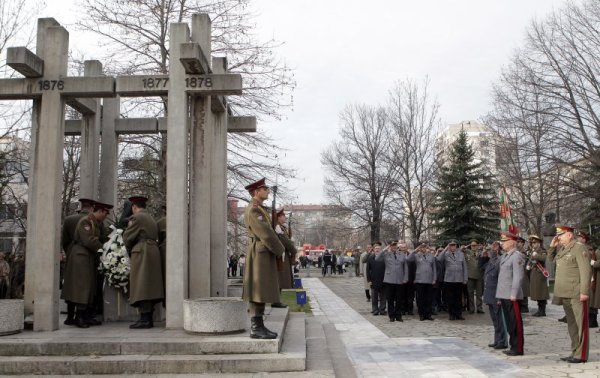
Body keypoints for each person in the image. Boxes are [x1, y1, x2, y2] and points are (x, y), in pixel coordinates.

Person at [242, 178, 284, 339]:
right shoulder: (254, 210)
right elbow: (266, 233)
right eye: (264, 189)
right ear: (256, 192)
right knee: (258, 289)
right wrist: (280, 250)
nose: (267, 191)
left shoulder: (260, 209)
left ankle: (259, 326)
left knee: (262, 289)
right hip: (260, 252)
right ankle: (256, 327)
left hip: (263, 251)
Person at [61, 201, 113, 328]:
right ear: (100, 211)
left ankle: (85, 316)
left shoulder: (94, 222)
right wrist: (105, 249)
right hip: (81, 256)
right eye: (105, 214)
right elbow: (88, 240)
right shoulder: (86, 222)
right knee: (81, 286)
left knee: (89, 286)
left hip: (87, 257)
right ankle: (79, 317)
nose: (105, 217)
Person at [548, 224, 592, 363]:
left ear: (569, 235)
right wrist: (552, 247)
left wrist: (584, 292)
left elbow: (586, 271)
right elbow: (551, 261)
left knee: (580, 325)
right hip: (565, 293)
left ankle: (581, 354)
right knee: (572, 325)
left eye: (560, 235)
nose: (558, 237)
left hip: (576, 293)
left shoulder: (579, 248)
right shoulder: (563, 249)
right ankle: (575, 352)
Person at [124, 195, 164, 329]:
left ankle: (145, 319)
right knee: (149, 285)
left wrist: (130, 250)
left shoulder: (136, 217)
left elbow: (127, 237)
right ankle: (147, 318)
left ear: (134, 207)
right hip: (153, 251)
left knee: (141, 285)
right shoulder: (151, 218)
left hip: (142, 252)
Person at [60, 198, 95, 325]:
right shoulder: (92, 220)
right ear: (92, 207)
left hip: (72, 254)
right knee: (83, 286)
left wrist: (70, 252)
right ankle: (82, 316)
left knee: (71, 286)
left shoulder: (69, 220)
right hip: (86, 256)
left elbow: (64, 240)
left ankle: (69, 317)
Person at [496, 232, 525, 356]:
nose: (501, 243)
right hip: (504, 294)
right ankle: (513, 345)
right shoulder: (505, 256)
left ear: (511, 243)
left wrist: (514, 293)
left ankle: (518, 347)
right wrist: (499, 296)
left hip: (511, 295)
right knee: (509, 322)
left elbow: (518, 277)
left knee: (515, 322)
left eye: (504, 241)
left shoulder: (516, 256)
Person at [480, 240, 507, 350]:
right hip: (489, 294)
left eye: (492, 250)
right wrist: (483, 255)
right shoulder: (490, 262)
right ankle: (497, 340)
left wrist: (500, 296)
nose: (490, 252)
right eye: (490, 250)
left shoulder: (500, 261)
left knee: (499, 319)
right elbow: (480, 266)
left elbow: (501, 280)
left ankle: (503, 341)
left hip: (496, 295)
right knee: (494, 319)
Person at [376, 240, 408, 322]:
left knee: (399, 299)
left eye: (395, 245)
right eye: (392, 245)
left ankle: (398, 315)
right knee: (390, 299)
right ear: (390, 246)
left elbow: (405, 267)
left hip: (399, 280)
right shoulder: (386, 254)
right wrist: (385, 249)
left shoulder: (402, 254)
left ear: (397, 246)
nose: (394, 247)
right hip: (389, 280)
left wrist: (405, 278)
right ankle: (391, 316)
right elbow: (377, 258)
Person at [436, 240, 468, 320]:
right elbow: (439, 259)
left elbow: (464, 266)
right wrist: (446, 248)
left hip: (458, 279)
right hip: (449, 279)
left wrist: (465, 278)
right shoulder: (446, 254)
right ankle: (451, 314)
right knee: (450, 298)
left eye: (454, 245)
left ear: (456, 246)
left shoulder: (461, 254)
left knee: (458, 298)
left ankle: (458, 314)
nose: (453, 247)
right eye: (451, 245)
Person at [273, 208, 297, 308]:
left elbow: (288, 241)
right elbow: (286, 242)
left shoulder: (282, 228)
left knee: (281, 279)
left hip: (284, 255)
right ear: (278, 218)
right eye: (283, 216)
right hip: (281, 256)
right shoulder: (278, 228)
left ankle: (277, 300)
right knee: (279, 279)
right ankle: (276, 301)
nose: (285, 217)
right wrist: (294, 250)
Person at [407, 241, 436, 321]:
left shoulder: (431, 256)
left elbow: (434, 268)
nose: (423, 248)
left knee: (429, 298)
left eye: (424, 247)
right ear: (420, 248)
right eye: (422, 247)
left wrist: (434, 278)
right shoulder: (416, 256)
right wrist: (416, 250)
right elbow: (408, 259)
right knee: (420, 299)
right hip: (420, 280)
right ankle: (422, 314)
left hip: (429, 280)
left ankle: (428, 314)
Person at [528, 235, 550, 317]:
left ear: (539, 243)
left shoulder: (542, 250)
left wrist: (536, 255)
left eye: (535, 242)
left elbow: (543, 259)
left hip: (540, 274)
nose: (533, 244)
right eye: (532, 243)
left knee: (541, 293)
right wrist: (529, 265)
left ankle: (542, 311)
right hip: (534, 273)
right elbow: (531, 260)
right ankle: (539, 310)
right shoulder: (533, 250)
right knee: (537, 293)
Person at [367, 242, 387, 316]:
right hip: (374, 280)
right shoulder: (370, 257)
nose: (377, 250)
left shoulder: (384, 257)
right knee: (374, 296)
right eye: (376, 248)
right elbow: (367, 269)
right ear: (373, 249)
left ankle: (382, 309)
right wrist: (369, 280)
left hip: (383, 279)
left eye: (378, 248)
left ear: (381, 249)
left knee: (383, 296)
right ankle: (375, 310)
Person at [465, 240, 484, 314]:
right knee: (470, 293)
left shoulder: (481, 253)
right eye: (472, 245)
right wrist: (467, 245)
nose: (474, 247)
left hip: (479, 275)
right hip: (470, 276)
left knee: (479, 293)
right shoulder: (467, 252)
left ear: (477, 246)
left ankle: (479, 308)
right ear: (470, 246)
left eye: (475, 245)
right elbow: (460, 249)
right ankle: (471, 308)